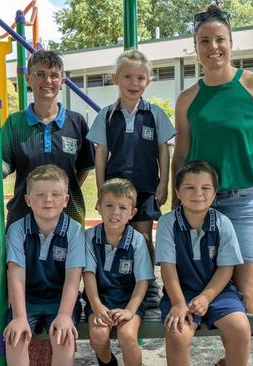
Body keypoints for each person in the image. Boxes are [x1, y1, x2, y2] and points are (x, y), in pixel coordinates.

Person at [171, 4, 253, 315]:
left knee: (249, 291)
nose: (214, 48)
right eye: (205, 41)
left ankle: (237, 358)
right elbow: (181, 154)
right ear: (196, 48)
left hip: (243, 200)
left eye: (220, 39)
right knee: (201, 285)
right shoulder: (187, 99)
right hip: (199, 202)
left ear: (231, 43)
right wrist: (175, 199)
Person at [86, 49, 175, 307]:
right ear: (116, 79)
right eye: (127, 77)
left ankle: (147, 285)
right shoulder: (107, 114)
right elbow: (101, 154)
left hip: (146, 187)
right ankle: (116, 281)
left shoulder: (155, 114)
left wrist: (163, 183)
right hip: (116, 189)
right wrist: (102, 189)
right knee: (116, 232)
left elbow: (163, 150)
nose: (133, 84)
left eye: (140, 78)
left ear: (148, 81)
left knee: (144, 236)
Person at [0, 50, 95, 228]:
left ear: (61, 82)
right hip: (24, 218)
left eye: (54, 75)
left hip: (68, 217)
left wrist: (61, 192)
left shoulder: (76, 122)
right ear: (28, 78)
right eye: (40, 74)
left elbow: (84, 166)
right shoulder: (15, 123)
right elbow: (2, 168)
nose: (47, 81)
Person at [156, 161, 251, 366]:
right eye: (189, 187)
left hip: (218, 292)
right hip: (181, 292)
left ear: (215, 193)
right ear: (178, 192)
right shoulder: (167, 223)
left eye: (205, 188)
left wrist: (206, 297)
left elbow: (226, 268)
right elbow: (167, 269)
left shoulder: (223, 223)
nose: (198, 193)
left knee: (241, 329)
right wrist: (179, 303)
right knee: (177, 333)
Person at [3, 164, 85, 366]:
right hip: (27, 300)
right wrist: (20, 317)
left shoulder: (74, 231)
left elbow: (73, 279)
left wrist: (65, 315)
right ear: (28, 200)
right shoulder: (17, 230)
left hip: (60, 300)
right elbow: (16, 276)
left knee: (63, 337)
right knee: (16, 338)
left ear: (66, 200)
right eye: (40, 195)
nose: (48, 200)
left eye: (55, 194)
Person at [83, 178, 154, 366]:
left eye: (123, 208)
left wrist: (130, 310)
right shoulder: (90, 237)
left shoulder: (138, 240)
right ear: (98, 206)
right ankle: (108, 363)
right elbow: (88, 274)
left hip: (129, 299)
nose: (115, 212)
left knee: (128, 336)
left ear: (132, 213)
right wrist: (97, 305)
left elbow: (142, 282)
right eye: (109, 205)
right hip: (100, 298)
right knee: (98, 337)